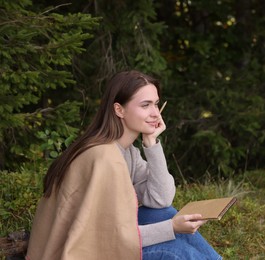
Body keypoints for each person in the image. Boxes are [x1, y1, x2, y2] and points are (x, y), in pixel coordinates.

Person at [26, 70, 222, 260]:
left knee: (163, 213)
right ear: (119, 109)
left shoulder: (126, 151)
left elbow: (160, 199)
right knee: (174, 251)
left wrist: (151, 143)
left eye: (156, 104)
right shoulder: (104, 157)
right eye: (145, 105)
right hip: (78, 253)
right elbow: (105, 236)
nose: (155, 113)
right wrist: (171, 228)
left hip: (101, 241)